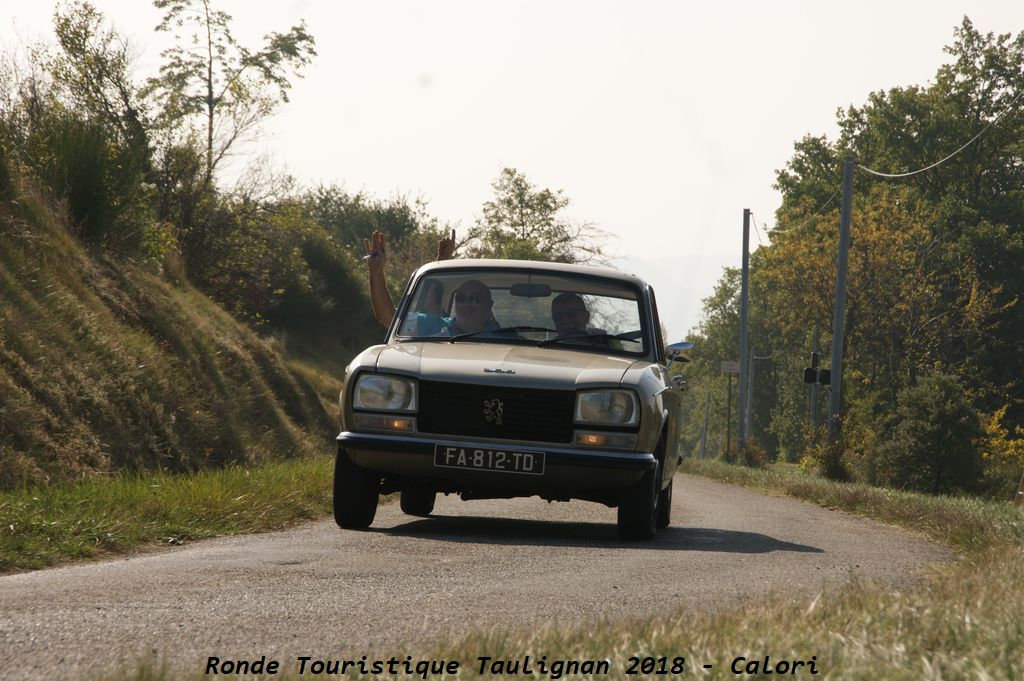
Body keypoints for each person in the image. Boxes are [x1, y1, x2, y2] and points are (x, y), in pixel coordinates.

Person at [365, 228, 455, 327]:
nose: (468, 304)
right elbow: (389, 317)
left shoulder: (451, 328)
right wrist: (376, 272)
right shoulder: (439, 326)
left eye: (475, 299)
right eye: (461, 298)